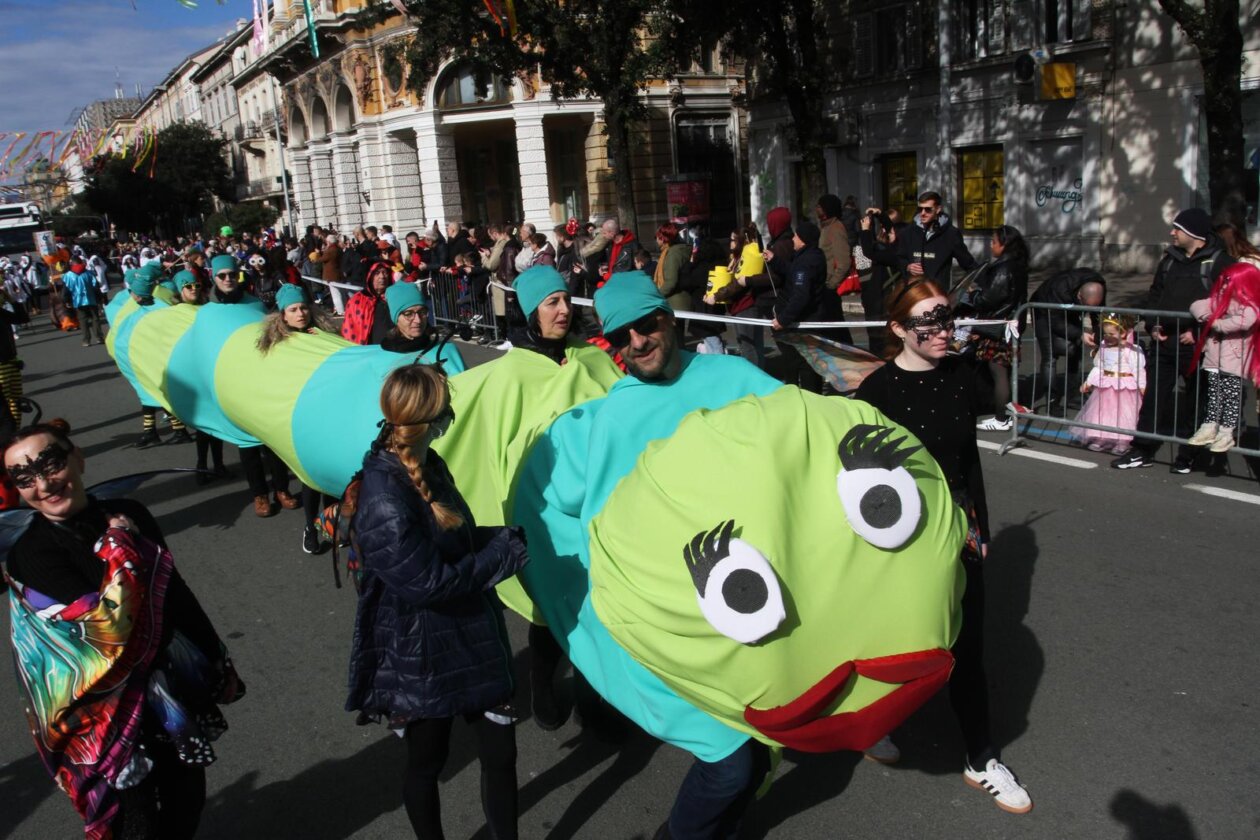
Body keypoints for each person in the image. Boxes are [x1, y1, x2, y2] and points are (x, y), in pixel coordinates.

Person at [515, 272, 782, 838]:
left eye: (645, 324)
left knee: (755, 752)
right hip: (673, 620)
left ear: (669, 318)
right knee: (730, 758)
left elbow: (810, 437)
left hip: (756, 596)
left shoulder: (734, 376)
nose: (636, 341)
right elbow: (542, 498)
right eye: (621, 336)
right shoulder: (607, 420)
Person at [2, 419, 244, 839]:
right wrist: (120, 547)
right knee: (133, 820)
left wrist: (216, 658)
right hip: (101, 713)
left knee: (187, 792)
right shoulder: (30, 553)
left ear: (77, 458)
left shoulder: (132, 514)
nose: (43, 484)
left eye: (50, 464)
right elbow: (111, 628)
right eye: (24, 477)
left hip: (164, 686)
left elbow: (175, 593)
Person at [854, 278, 1033, 815]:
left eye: (946, 318)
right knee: (896, 640)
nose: (941, 331)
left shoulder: (959, 375)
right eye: (927, 322)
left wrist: (1000, 354)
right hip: (901, 539)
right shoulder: (876, 392)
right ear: (898, 329)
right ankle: (876, 723)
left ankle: (981, 759)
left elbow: (997, 396)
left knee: (967, 645)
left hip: (960, 532)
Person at [346, 364, 529, 840]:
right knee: (428, 762)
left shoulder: (431, 464)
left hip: (472, 633)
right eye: (448, 406)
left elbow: (455, 538)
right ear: (433, 420)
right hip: (422, 652)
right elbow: (426, 583)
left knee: (502, 755)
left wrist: (500, 538)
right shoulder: (384, 497)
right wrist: (500, 556)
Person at [1113, 208, 1234, 472]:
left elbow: (1226, 304)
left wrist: (1198, 331)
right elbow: (1155, 294)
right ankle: (1142, 448)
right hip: (1164, 342)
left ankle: (1190, 452)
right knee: (1154, 397)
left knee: (1196, 401)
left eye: (1177, 229)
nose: (1172, 233)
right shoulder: (1169, 260)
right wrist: (1153, 324)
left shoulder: (1220, 262)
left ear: (1194, 233)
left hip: (1199, 346)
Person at [256, 284, 339, 551]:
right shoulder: (279, 345)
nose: (300, 313)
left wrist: (323, 341)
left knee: (331, 474)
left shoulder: (324, 334)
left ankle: (332, 524)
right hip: (300, 420)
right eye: (293, 309)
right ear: (283, 315)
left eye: (303, 307)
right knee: (310, 476)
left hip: (328, 414)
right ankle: (310, 527)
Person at [1185, 262, 1260, 454]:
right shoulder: (1220, 300)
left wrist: (1216, 323)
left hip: (1233, 361)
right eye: (1224, 280)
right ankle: (1209, 425)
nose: (1225, 285)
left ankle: (1227, 432)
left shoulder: (1249, 305)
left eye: (1229, 281)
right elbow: (1197, 305)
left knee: (1231, 396)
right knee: (1214, 394)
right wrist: (1208, 316)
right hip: (1213, 358)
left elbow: (1245, 320)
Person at [960, 225, 1029, 430]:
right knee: (999, 371)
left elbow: (988, 300)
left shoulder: (1004, 268)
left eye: (993, 241)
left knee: (998, 371)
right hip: (1007, 325)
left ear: (1004, 244)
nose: (991, 245)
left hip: (998, 326)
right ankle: (1000, 412)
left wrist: (973, 293)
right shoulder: (1016, 265)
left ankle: (1001, 418)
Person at [1026, 268, 1107, 410]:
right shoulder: (1059, 289)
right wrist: (1080, 334)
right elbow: (1056, 322)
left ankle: (1073, 394)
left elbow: (1099, 314)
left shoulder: (1098, 285)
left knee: (1075, 350)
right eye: (1087, 307)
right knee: (1049, 356)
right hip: (1044, 311)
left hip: (1069, 308)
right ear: (1080, 296)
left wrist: (1099, 335)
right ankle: (1052, 401)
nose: (1089, 310)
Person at [1069, 313, 1146, 453]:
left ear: (1123, 334)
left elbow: (1139, 370)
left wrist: (1142, 387)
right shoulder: (1104, 346)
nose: (1107, 337)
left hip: (1125, 387)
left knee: (1123, 415)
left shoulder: (1133, 350)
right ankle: (1102, 436)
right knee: (1103, 413)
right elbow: (1099, 366)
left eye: (1112, 333)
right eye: (1105, 334)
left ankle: (1123, 440)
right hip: (1106, 386)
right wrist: (1088, 382)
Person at [768, 220, 828, 392]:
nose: (793, 239)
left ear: (803, 239)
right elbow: (792, 271)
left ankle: (808, 398)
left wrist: (783, 319)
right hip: (799, 321)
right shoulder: (806, 256)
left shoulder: (807, 261)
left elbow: (801, 295)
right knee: (795, 362)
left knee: (803, 364)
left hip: (802, 324)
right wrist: (774, 261)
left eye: (796, 236)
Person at [897, 191, 976, 285]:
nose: (923, 213)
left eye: (928, 209)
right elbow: (899, 258)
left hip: (937, 294)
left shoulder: (951, 234)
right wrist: (907, 266)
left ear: (938, 209)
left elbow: (968, 263)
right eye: (920, 209)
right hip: (914, 293)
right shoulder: (907, 232)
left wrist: (987, 286)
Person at [856, 208, 904, 357]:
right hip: (875, 302)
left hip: (884, 305)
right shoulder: (887, 249)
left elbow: (868, 252)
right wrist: (880, 215)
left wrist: (865, 230)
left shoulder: (895, 253)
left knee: (885, 345)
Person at [816, 194, 852, 323]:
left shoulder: (836, 228)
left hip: (829, 287)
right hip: (823, 285)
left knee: (835, 329)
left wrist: (831, 285)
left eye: (819, 206)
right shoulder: (825, 227)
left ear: (826, 208)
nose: (816, 209)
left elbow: (844, 263)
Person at [341, 261, 395, 345]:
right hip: (369, 350)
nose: (382, 277)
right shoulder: (357, 301)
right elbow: (350, 330)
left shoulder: (395, 297)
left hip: (393, 349)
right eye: (377, 273)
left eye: (385, 272)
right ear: (370, 276)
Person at [381, 282, 437, 355]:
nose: (418, 320)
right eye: (409, 314)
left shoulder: (443, 348)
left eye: (422, 312)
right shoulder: (382, 354)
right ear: (395, 318)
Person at [62, 259, 106, 346]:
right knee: (95, 319)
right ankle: (99, 337)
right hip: (91, 299)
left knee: (83, 320)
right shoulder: (89, 274)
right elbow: (96, 287)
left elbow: (65, 290)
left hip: (78, 301)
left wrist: (66, 300)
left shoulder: (68, 276)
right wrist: (100, 298)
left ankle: (86, 340)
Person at [654, 223, 692, 314]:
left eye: (657, 237)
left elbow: (671, 281)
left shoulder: (673, 253)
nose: (656, 240)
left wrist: (656, 296)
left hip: (675, 304)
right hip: (680, 301)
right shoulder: (677, 250)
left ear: (663, 238)